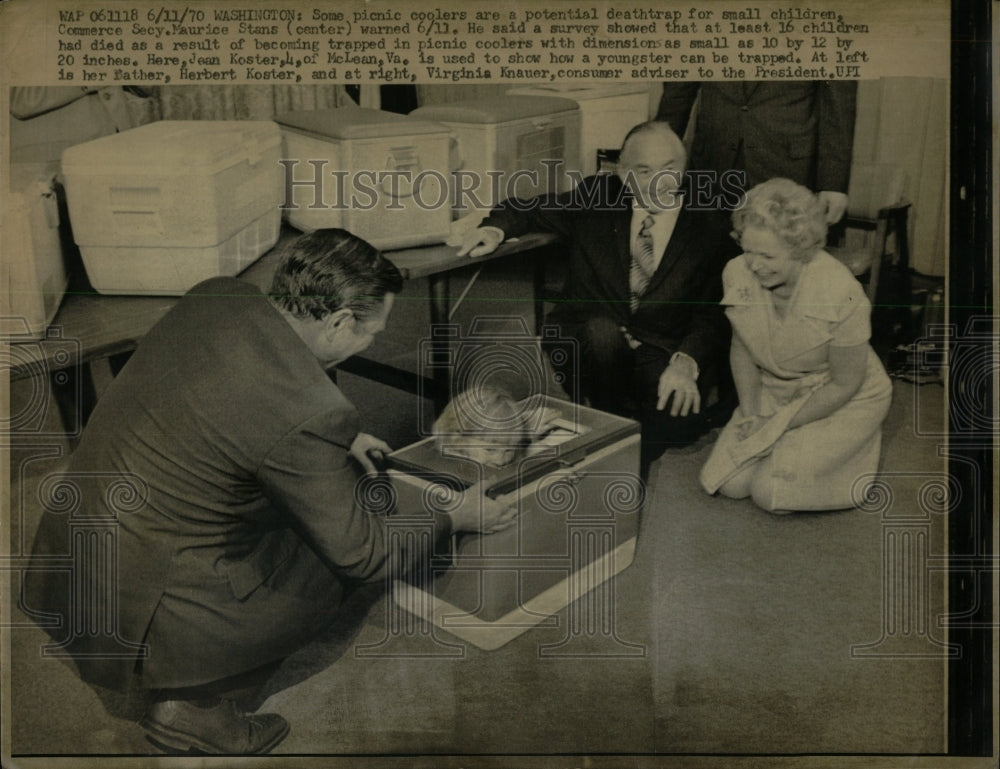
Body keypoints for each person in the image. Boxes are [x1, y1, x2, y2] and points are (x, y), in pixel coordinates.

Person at [23, 229, 516, 755]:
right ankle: (196, 706)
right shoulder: (309, 410)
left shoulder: (218, 295)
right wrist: (453, 518)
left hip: (77, 560)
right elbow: (363, 555)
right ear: (339, 322)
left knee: (326, 495)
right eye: (372, 332)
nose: (371, 343)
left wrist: (331, 441)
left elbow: (225, 407)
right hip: (151, 604)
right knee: (355, 530)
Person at [459, 121, 741, 468]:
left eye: (670, 168)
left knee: (678, 424)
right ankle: (613, 442)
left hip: (661, 344)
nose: (661, 182)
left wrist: (686, 360)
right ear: (622, 174)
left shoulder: (708, 221)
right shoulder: (599, 196)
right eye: (644, 171)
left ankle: (607, 434)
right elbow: (526, 208)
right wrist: (493, 228)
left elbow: (712, 312)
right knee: (602, 336)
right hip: (589, 335)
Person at [699, 179, 892, 513]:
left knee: (768, 492)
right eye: (748, 251)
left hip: (844, 397)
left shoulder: (840, 292)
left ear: (800, 248)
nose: (755, 265)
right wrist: (751, 411)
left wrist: (778, 425)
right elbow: (742, 347)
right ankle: (785, 447)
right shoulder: (737, 272)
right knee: (730, 484)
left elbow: (845, 383)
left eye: (768, 255)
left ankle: (850, 451)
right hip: (777, 388)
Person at [656, 81, 857, 225]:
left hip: (788, 170)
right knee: (706, 269)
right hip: (713, 165)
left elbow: (838, 107)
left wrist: (833, 184)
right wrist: (654, 158)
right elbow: (677, 94)